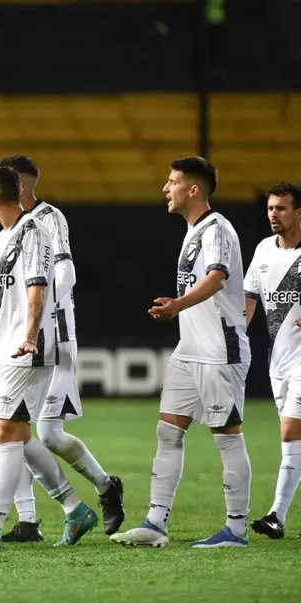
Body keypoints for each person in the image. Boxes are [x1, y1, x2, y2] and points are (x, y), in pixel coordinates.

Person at [0, 167, 98, 549]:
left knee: (8, 432)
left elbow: (38, 289)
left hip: (27, 348)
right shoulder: (5, 237)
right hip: (8, 346)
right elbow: (5, 301)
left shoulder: (34, 232)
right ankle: (74, 508)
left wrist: (31, 335)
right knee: (16, 433)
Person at [111, 156, 252, 549]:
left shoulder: (217, 228)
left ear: (193, 189)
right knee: (168, 430)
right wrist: (178, 309)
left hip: (219, 351)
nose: (165, 188)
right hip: (189, 350)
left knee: (227, 436)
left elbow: (217, 278)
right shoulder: (193, 232)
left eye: (172, 181)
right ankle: (155, 523)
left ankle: (236, 530)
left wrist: (177, 305)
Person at [0, 155, 125, 541]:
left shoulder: (48, 219)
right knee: (13, 428)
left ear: (30, 182)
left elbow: (65, 270)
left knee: (45, 434)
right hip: (21, 339)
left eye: (17, 181)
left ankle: (104, 486)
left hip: (55, 338)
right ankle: (30, 520)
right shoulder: (8, 229)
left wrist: (41, 306)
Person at [242, 182, 301, 539]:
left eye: (280, 208)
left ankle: (275, 515)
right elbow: (249, 298)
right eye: (270, 208)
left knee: (290, 432)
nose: (273, 215)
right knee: (295, 441)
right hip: (277, 361)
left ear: (298, 213)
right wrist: (230, 337)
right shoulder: (264, 250)